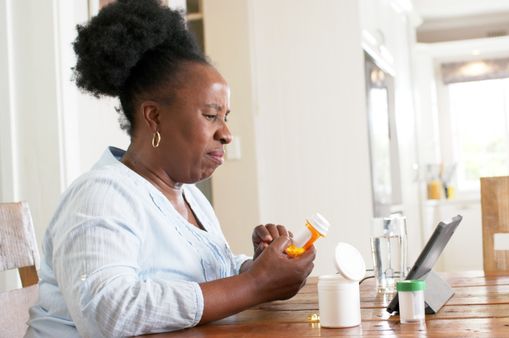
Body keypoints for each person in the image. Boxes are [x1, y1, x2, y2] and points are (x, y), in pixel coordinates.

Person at [25, 0, 315, 336]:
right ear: (154, 116)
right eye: (210, 116)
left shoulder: (189, 197)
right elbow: (109, 312)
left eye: (226, 117)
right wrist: (255, 284)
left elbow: (198, 278)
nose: (226, 134)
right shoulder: (101, 195)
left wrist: (257, 267)